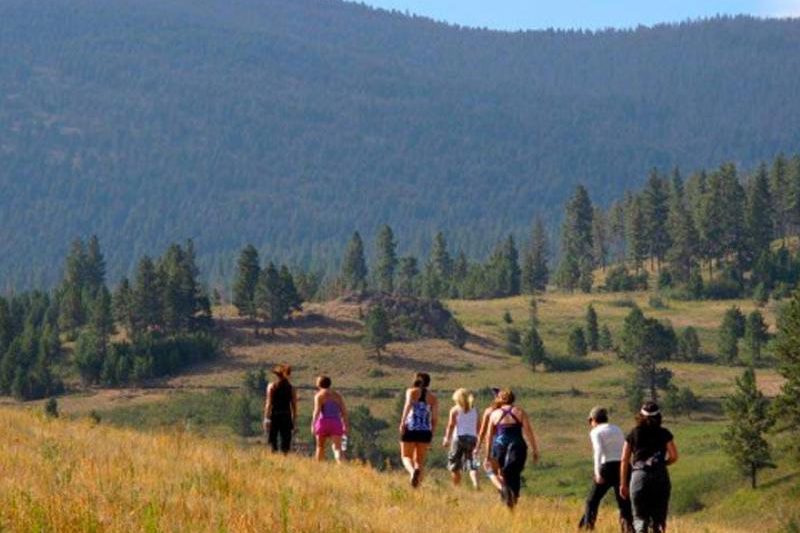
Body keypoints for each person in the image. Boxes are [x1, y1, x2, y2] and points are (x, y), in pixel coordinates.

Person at [620, 402, 679, 533]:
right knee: (658, 521)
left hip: (639, 477)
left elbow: (624, 459)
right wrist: (663, 463)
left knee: (640, 520)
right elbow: (674, 456)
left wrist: (623, 484)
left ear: (640, 416)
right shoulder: (664, 433)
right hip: (660, 477)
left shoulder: (633, 433)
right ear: (659, 416)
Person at [579, 406, 634, 532]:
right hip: (623, 466)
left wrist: (597, 472)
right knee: (624, 503)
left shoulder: (596, 432)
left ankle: (588, 527)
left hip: (607, 466)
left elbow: (598, 451)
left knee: (591, 501)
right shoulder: (617, 429)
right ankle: (628, 529)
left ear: (593, 420)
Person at [485, 389, 540, 508]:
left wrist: (487, 454)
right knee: (514, 474)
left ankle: (504, 493)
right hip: (518, 445)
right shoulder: (520, 412)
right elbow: (528, 431)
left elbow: (489, 435)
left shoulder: (494, 414)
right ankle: (512, 501)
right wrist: (534, 449)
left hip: (500, 446)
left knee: (494, 472)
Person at [398, 372, 438, 488]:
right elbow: (434, 419)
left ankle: (411, 473)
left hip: (410, 428)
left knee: (405, 456)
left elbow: (408, 406)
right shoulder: (433, 398)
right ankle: (417, 486)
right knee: (419, 461)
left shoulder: (411, 392)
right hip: (425, 431)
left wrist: (402, 423)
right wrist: (432, 434)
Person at [442, 388, 480, 489]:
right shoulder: (475, 410)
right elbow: (478, 426)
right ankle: (475, 483)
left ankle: (457, 487)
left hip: (458, 438)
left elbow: (451, 425)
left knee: (454, 465)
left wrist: (447, 439)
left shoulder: (455, 410)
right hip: (472, 438)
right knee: (472, 463)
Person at [310, 375, 349, 464]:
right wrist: (346, 425)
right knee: (337, 448)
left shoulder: (319, 395)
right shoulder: (337, 395)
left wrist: (313, 424)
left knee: (320, 447)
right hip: (336, 422)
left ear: (318, 384)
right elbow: (344, 412)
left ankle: (318, 466)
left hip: (322, 422)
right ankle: (341, 464)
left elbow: (316, 411)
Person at [263, 364, 298, 454]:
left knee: (273, 439)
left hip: (274, 415)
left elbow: (269, 403)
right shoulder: (291, 388)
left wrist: (266, 418)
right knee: (286, 440)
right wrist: (294, 420)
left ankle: (273, 456)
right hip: (286, 415)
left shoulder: (272, 386)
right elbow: (294, 405)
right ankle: (284, 457)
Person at [477, 387, 504, 492]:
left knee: (489, 468)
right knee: (501, 471)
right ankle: (505, 494)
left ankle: (502, 489)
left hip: (492, 442)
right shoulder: (507, 411)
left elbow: (482, 431)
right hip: (504, 440)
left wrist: (478, 446)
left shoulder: (489, 411)